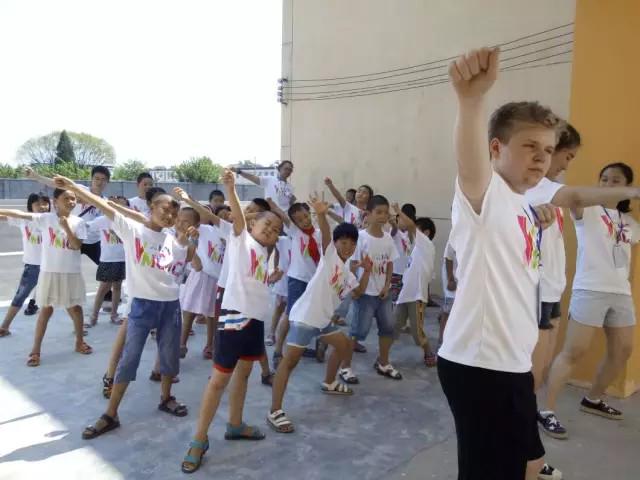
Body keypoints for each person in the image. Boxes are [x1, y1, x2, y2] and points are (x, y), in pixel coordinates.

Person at [437, 46, 562, 480]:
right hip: (481, 367)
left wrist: (540, 221)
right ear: (496, 147)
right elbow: (471, 166)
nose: (541, 157)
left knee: (531, 461)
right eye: (529, 146)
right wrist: (471, 101)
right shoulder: (484, 195)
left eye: (547, 149)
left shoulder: (523, 206)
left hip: (512, 363)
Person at [60, 175, 197, 439]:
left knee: (169, 356)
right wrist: (73, 186)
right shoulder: (132, 229)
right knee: (129, 358)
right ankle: (111, 413)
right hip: (142, 306)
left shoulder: (173, 239)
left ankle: (166, 397)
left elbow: (189, 258)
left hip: (170, 305)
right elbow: (102, 203)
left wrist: (186, 238)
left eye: (173, 211)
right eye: (164, 209)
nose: (169, 214)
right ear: (150, 209)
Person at [181, 169, 282, 474]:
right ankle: (199, 440)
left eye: (277, 229)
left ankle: (235, 425)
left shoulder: (266, 254)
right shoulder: (241, 240)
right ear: (252, 224)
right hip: (233, 319)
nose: (272, 231)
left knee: (244, 373)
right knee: (218, 380)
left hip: (254, 320)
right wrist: (231, 188)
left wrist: (272, 276)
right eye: (268, 224)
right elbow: (237, 218)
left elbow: (258, 282)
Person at [540, 162, 640, 439]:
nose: (608, 185)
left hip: (620, 293)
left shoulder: (629, 222)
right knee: (574, 352)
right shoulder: (587, 208)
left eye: (615, 181)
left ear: (624, 187)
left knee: (623, 350)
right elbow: (577, 197)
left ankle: (593, 399)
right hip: (590, 290)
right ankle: (547, 411)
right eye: (604, 179)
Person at [268, 212, 374, 434]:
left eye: (351, 243)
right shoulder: (330, 257)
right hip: (305, 319)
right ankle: (275, 410)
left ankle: (329, 382)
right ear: (335, 244)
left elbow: (359, 293)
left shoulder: (347, 272)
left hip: (323, 321)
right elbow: (326, 235)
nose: (347, 247)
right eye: (343, 242)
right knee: (289, 363)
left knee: (344, 345)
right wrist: (322, 214)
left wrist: (366, 270)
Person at [0, 188, 93, 366]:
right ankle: (35, 350)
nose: (71, 202)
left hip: (71, 273)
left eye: (73, 199)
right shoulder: (45, 219)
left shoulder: (79, 222)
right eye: (66, 198)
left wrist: (66, 227)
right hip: (49, 272)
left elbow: (75, 246)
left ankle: (79, 342)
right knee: (45, 310)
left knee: (75, 309)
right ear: (55, 200)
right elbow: (18, 214)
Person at [338, 194, 400, 384]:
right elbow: (352, 265)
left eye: (385, 212)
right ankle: (345, 367)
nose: (383, 216)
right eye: (378, 212)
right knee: (358, 331)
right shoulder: (361, 238)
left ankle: (383, 362)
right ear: (369, 214)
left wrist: (387, 285)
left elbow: (389, 264)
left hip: (383, 294)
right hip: (364, 293)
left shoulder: (388, 239)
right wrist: (356, 288)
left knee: (388, 328)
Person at [173, 187, 232, 360]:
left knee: (212, 315)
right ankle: (182, 344)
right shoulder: (201, 230)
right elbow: (189, 241)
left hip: (217, 280)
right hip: (200, 276)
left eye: (225, 216)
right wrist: (187, 199)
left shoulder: (224, 233)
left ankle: (210, 345)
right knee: (189, 311)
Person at [270, 202, 323, 367]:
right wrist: (273, 205)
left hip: (315, 281)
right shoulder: (295, 233)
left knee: (313, 315)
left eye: (306, 216)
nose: (305, 221)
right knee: (290, 313)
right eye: (299, 220)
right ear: (295, 223)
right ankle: (278, 350)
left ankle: (306, 346)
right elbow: (284, 217)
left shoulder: (319, 234)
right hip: (297, 279)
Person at [0, 193, 51, 336]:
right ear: (30, 206)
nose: (42, 207)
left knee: (64, 297)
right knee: (20, 296)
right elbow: (4, 217)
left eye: (45, 203)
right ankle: (4, 326)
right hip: (32, 266)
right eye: (37, 204)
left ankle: (78, 329)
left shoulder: (51, 220)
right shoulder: (24, 220)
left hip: (52, 266)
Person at [392, 210, 437, 367]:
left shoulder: (426, 244)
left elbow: (410, 225)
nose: (413, 232)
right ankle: (383, 358)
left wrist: (398, 211)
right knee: (394, 327)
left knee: (417, 332)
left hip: (417, 296)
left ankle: (429, 352)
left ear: (426, 232)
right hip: (405, 294)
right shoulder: (417, 248)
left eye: (417, 229)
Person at [85, 196, 129, 326]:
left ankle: (114, 315)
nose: (120, 208)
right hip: (108, 260)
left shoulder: (127, 222)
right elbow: (87, 226)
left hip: (122, 259)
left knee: (117, 287)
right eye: (117, 205)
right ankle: (94, 316)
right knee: (103, 288)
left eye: (124, 205)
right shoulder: (102, 220)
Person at [232, 161, 296, 212]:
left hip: (285, 216)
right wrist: (239, 172)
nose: (288, 171)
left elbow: (290, 202)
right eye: (286, 168)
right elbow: (253, 178)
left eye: (290, 170)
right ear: (279, 169)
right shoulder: (270, 180)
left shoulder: (290, 187)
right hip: (270, 214)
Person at [266, 232, 290, 347]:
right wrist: (275, 268)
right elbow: (276, 254)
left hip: (298, 282)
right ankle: (271, 333)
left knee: (293, 312)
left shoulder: (309, 238)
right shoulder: (283, 240)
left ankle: (288, 337)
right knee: (279, 308)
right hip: (283, 279)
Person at [438, 239, 457, 349]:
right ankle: (442, 341)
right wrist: (450, 279)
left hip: (464, 279)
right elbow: (448, 258)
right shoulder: (454, 235)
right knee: (448, 311)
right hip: (452, 278)